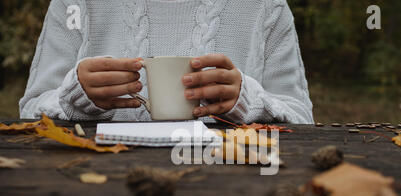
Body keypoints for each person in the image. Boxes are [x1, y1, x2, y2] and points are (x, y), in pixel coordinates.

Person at [20, 0, 314, 124]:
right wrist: (74, 99)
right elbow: (29, 110)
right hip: (94, 190)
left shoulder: (265, 6)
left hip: (231, 189)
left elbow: (303, 119)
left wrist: (251, 103)